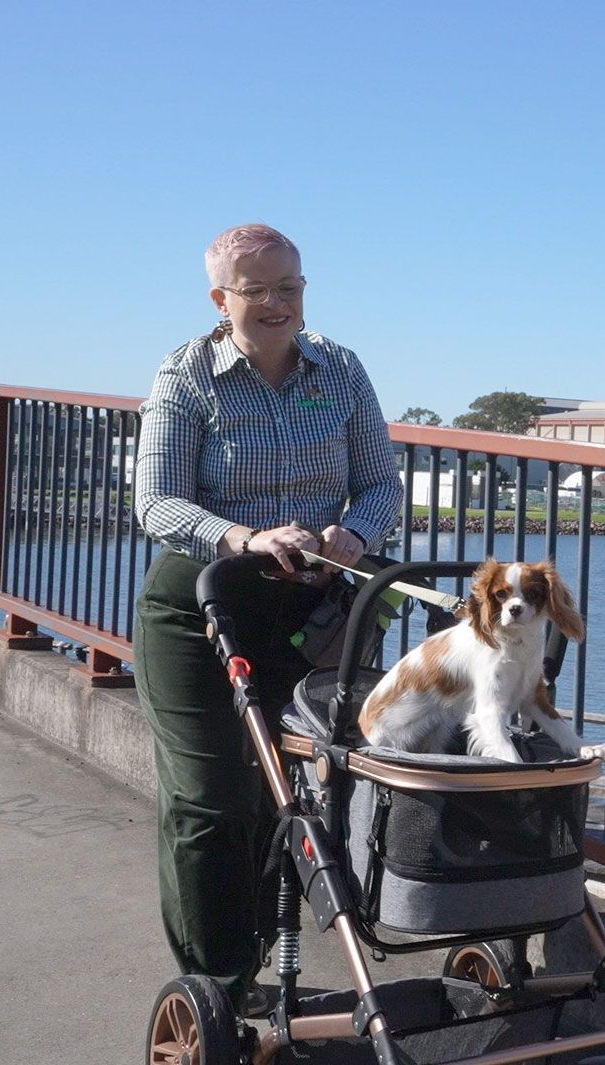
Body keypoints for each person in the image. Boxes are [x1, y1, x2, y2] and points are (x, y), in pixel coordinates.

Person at [133, 223, 398, 1016]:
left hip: (310, 611)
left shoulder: (341, 370)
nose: (279, 303)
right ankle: (218, 988)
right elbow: (156, 502)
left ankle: (258, 966)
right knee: (210, 800)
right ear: (222, 299)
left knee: (280, 796)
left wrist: (356, 533)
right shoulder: (188, 375)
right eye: (259, 291)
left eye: (292, 287)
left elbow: (382, 483)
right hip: (202, 605)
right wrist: (246, 536)